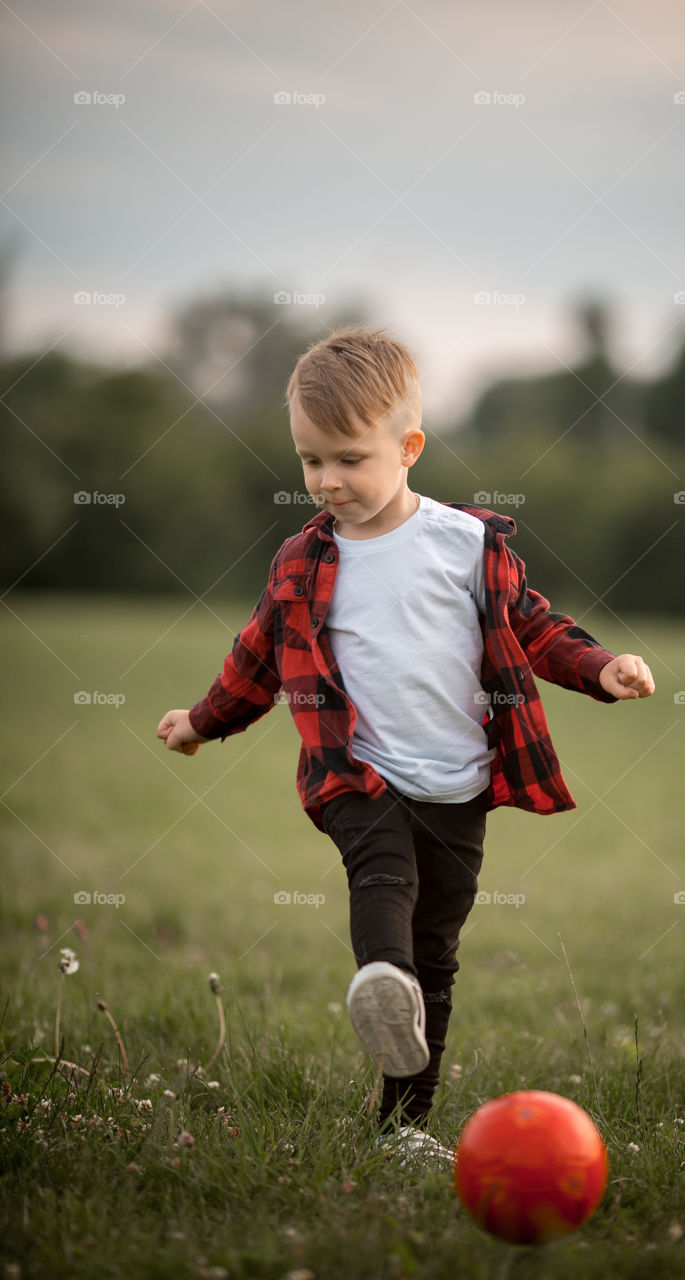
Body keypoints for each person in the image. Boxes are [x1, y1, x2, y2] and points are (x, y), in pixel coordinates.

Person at [157, 327, 655, 1164]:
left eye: (348, 459)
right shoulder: (301, 562)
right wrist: (203, 722)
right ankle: (377, 979)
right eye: (310, 461)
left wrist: (600, 667)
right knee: (382, 873)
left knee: (438, 957)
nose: (326, 482)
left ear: (408, 448)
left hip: (457, 784)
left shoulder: (465, 545)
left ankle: (402, 1128)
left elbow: (533, 625)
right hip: (356, 772)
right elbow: (258, 656)